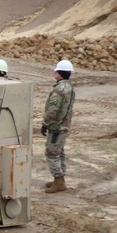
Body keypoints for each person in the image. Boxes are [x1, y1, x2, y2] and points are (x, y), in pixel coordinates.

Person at [41, 59, 75, 194]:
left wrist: (46, 124)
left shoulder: (59, 89)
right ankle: (59, 179)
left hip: (56, 127)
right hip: (64, 125)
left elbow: (52, 110)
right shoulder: (69, 87)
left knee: (52, 153)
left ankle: (59, 181)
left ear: (59, 72)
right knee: (59, 152)